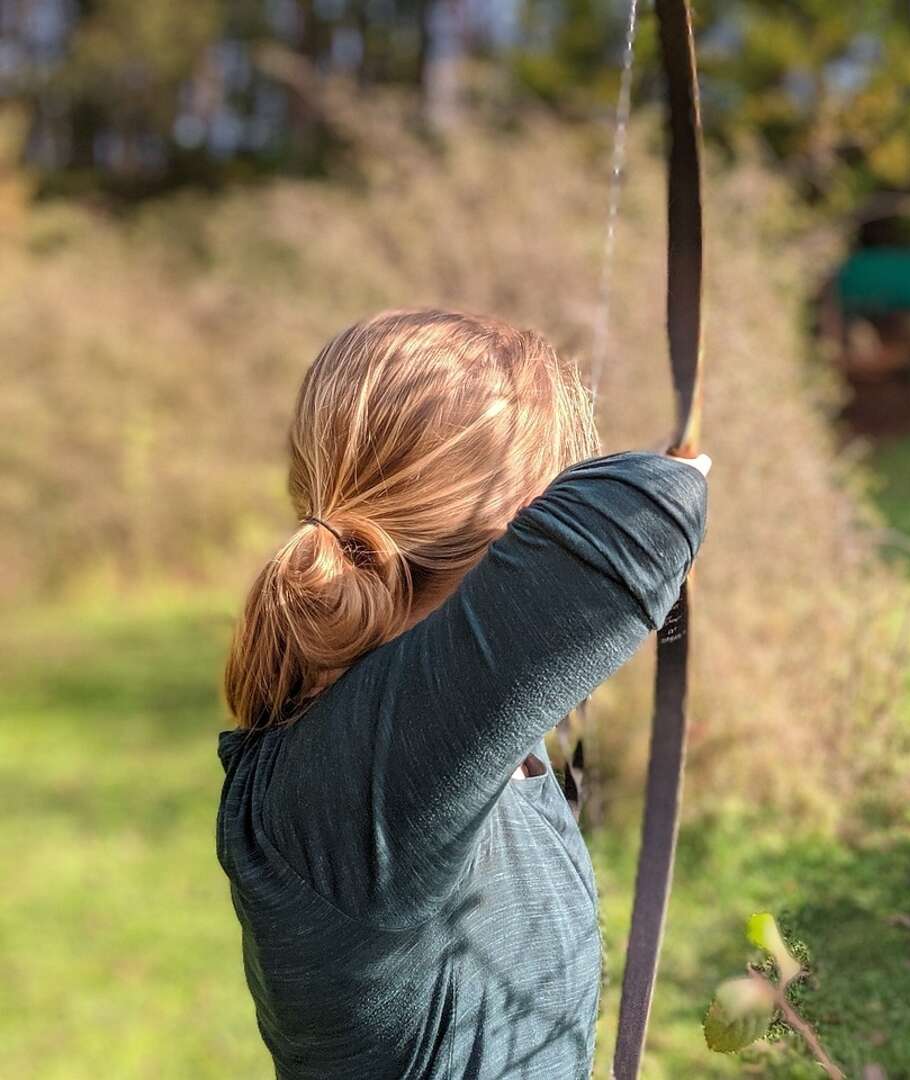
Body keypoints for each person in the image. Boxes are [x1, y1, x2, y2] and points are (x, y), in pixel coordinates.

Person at [215, 309, 710, 1079]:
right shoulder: (351, 788)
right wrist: (682, 479)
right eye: (557, 480)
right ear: (513, 519)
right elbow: (637, 522)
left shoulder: (440, 733)